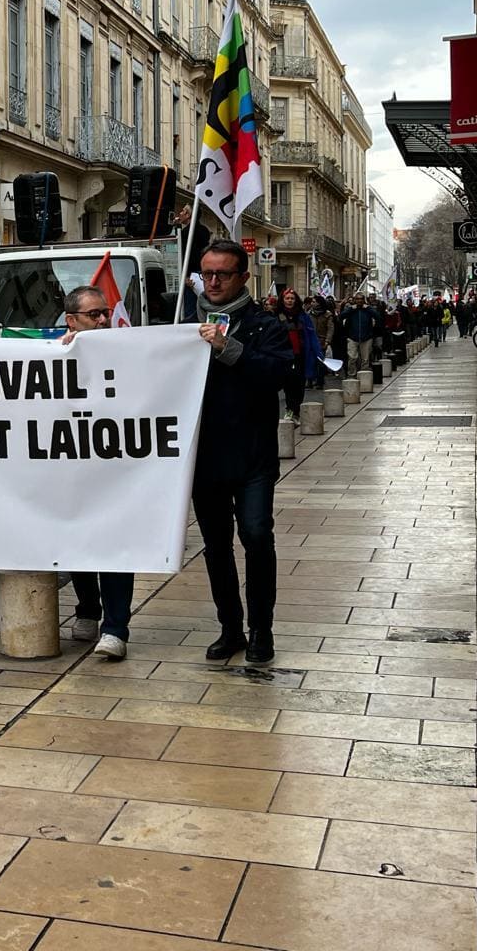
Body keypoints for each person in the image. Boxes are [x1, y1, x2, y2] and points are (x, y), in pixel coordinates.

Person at [191, 239, 293, 665]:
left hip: (252, 455)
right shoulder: (182, 321)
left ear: (243, 278)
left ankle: (261, 631)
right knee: (216, 546)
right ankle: (230, 628)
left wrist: (227, 348)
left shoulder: (262, 323)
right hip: (204, 458)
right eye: (206, 274)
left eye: (222, 274)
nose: (212, 282)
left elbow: (278, 372)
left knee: (255, 536)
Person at [58, 285, 133, 660]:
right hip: (73, 468)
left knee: (116, 542)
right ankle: (88, 607)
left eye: (105, 312)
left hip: (116, 466)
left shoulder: (126, 350)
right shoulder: (56, 353)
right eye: (94, 315)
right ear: (71, 320)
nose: (104, 319)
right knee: (80, 541)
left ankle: (116, 627)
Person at [274, 288, 322, 420]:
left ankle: (296, 410)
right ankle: (290, 409)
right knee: (289, 383)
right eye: (287, 298)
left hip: (300, 354)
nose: (290, 301)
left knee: (299, 383)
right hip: (284, 355)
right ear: (282, 300)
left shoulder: (303, 316)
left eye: (292, 298)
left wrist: (318, 353)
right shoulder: (276, 316)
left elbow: (311, 335)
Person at [339, 294, 378, 376]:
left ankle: (364, 375)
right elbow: (341, 316)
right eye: (357, 299)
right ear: (354, 300)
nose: (359, 301)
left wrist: (368, 308)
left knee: (365, 359)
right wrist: (350, 309)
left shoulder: (368, 309)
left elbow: (377, 316)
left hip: (366, 338)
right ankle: (351, 375)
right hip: (352, 337)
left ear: (364, 300)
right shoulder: (351, 310)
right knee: (352, 357)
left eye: (361, 299)